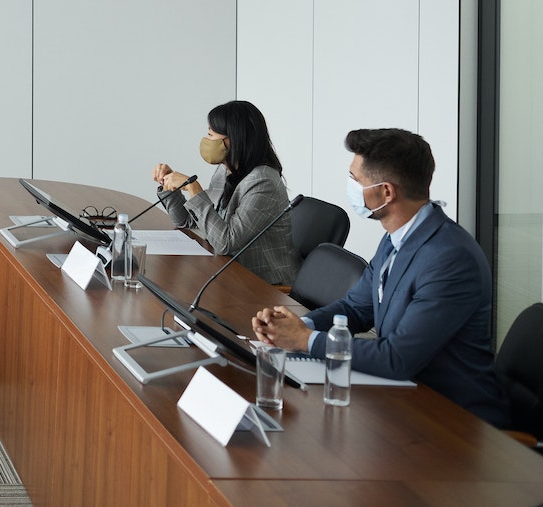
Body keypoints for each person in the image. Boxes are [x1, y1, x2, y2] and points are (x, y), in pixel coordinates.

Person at [252, 128, 510, 427]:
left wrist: (305, 340)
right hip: (405, 400)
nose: (350, 186)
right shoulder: (396, 237)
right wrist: (298, 326)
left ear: (386, 192)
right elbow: (356, 308)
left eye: (356, 180)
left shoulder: (450, 259)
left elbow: (398, 358)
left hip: (455, 421)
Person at [152, 100, 300, 287]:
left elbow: (226, 243)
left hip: (263, 285)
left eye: (210, 134)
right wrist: (169, 187)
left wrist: (194, 188)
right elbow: (189, 222)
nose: (206, 140)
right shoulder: (226, 170)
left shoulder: (263, 181)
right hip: (229, 272)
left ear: (233, 139)